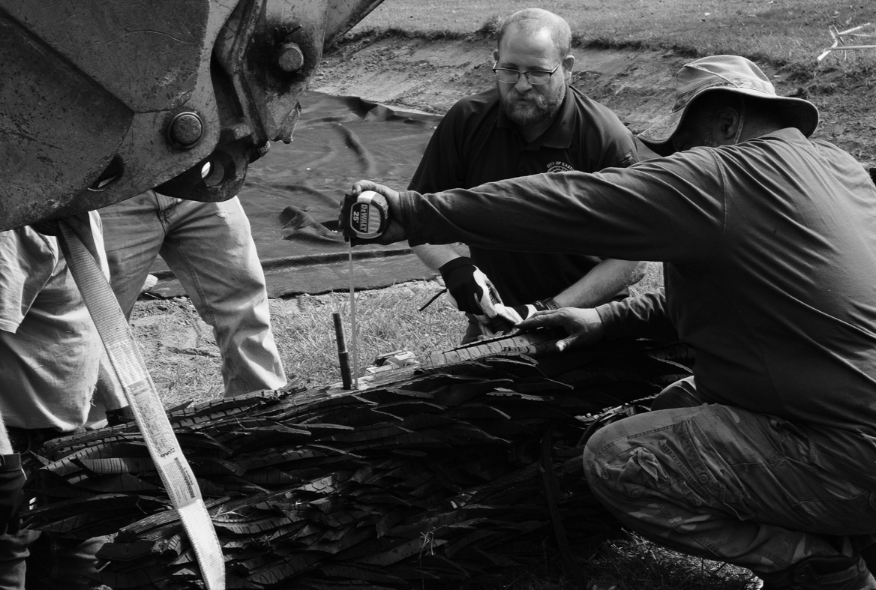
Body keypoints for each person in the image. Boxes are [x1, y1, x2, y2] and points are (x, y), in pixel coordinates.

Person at [345, 55, 876, 589]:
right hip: (852, 428)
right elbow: (742, 303)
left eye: (680, 145)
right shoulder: (841, 169)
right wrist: (604, 317)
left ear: (727, 123)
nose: (676, 159)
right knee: (675, 407)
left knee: (617, 458)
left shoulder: (721, 176)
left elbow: (570, 200)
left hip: (848, 454)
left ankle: (818, 566)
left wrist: (413, 212)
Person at [408, 8, 646, 343]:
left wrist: (547, 310)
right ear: (495, 60)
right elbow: (418, 218)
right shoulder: (466, 121)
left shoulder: (606, 138)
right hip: (498, 319)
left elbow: (633, 258)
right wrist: (453, 267)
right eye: (509, 70)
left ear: (567, 67)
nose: (521, 86)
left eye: (537, 73)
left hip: (587, 318)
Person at [0, 214, 110, 590]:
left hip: (73, 442)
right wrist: (0, 466)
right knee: (6, 572)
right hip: (14, 445)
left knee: (82, 572)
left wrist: (121, 407)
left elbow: (88, 319)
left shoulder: (80, 205)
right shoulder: (9, 227)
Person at [97, 191, 287, 397]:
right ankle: (102, 422)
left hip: (200, 183)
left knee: (243, 303)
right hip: (109, 197)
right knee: (98, 323)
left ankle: (261, 406)